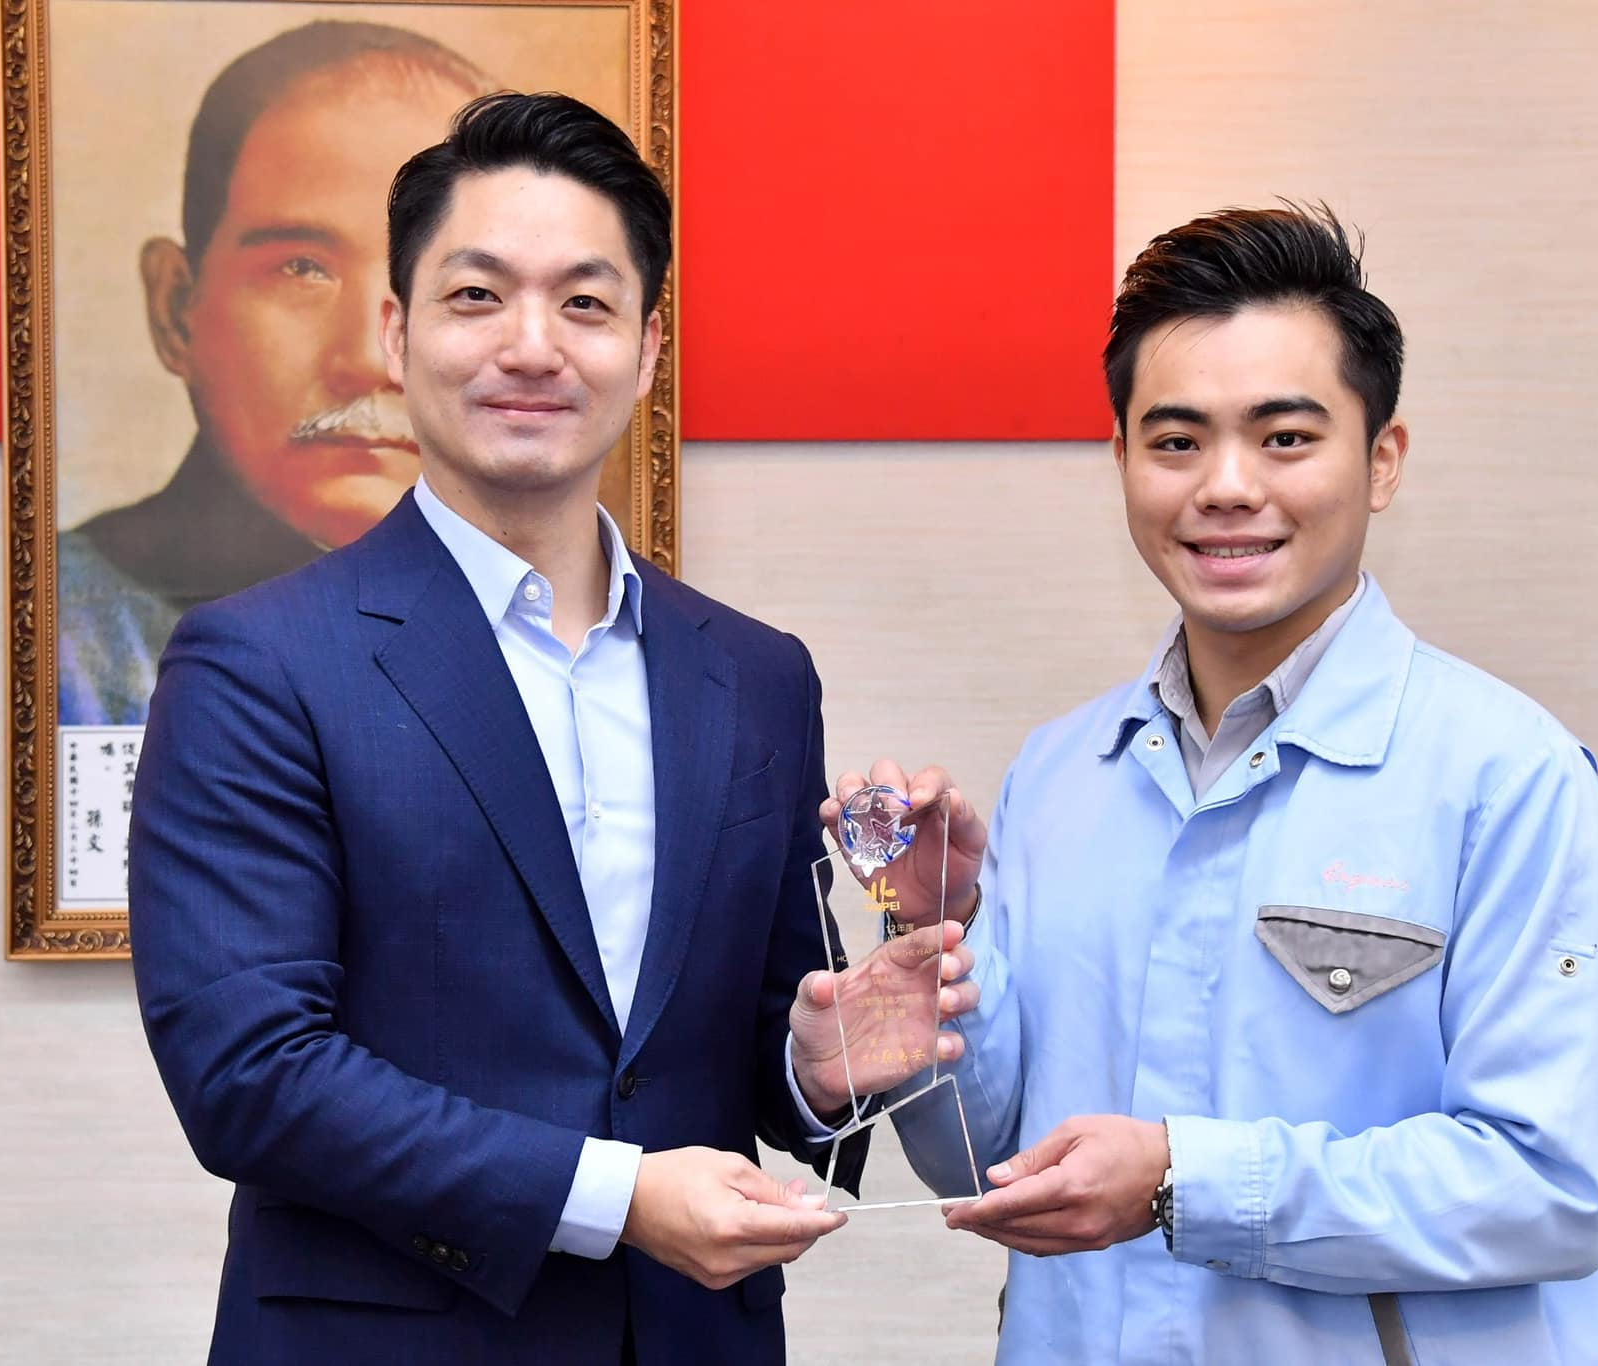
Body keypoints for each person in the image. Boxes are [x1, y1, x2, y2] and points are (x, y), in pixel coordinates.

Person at [129, 91, 972, 1366]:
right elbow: (250, 1073)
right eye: (477, 296)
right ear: (399, 331)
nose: (532, 346)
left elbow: (751, 1051)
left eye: (585, 302)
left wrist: (817, 1066)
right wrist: (619, 1195)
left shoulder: (754, 675)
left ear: (646, 347)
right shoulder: (258, 664)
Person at [855, 204, 1598, 1365]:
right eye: (1176, 442)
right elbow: (981, 1162)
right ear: (1121, 461)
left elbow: (1547, 1190)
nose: (1225, 486)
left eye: (1283, 438)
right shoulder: (1058, 772)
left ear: (1380, 461)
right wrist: (937, 927)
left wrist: (1184, 1179)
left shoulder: (1507, 779)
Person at [60, 21, 494, 724]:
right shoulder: (65, 637)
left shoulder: (549, 620)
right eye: (301, 269)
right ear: (176, 309)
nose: (368, 359)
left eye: (449, 286)